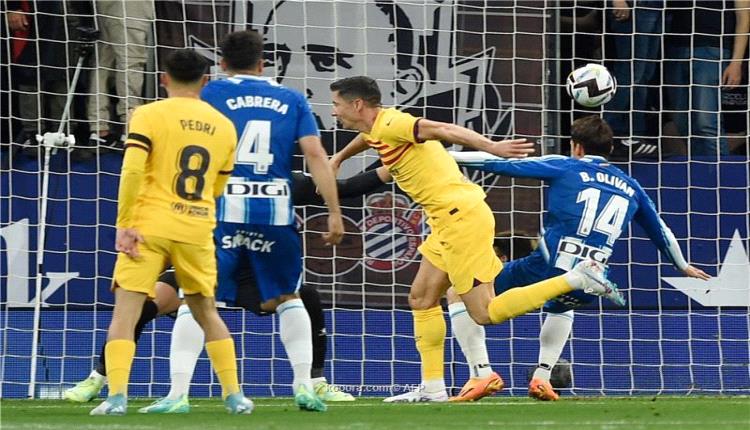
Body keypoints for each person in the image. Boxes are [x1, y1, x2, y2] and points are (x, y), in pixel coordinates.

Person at [328, 76, 626, 403]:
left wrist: (492, 147)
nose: (333, 111)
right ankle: (433, 388)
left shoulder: (393, 124)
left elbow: (445, 130)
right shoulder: (379, 128)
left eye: (336, 105)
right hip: (446, 220)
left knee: (484, 313)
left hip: (461, 218)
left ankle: (576, 278)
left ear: (358, 104)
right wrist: (339, 158)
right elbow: (367, 137)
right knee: (421, 298)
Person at [65, 168, 390, 409]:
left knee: (306, 297)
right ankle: (99, 377)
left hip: (252, 274)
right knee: (145, 304)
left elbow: (344, 187)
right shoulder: (206, 178)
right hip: (206, 262)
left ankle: (314, 382)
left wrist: (391, 167)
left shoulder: (281, 181)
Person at [446, 115, 710, 401]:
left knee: (458, 292)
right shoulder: (631, 186)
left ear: (577, 147)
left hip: (544, 266)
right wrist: (682, 265)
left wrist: (445, 156)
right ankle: (542, 377)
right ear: (610, 149)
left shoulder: (567, 166)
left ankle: (482, 373)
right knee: (562, 305)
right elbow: (660, 230)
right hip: (592, 277)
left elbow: (500, 164)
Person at [89, 49, 253, 416]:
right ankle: (234, 396)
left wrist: (125, 223)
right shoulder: (223, 124)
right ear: (205, 81)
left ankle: (116, 398)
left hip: (148, 226)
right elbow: (219, 184)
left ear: (163, 79)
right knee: (206, 311)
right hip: (196, 226)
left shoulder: (147, 115)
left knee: (126, 312)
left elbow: (132, 170)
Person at [200, 30, 343, 412]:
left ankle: (178, 392)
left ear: (222, 63)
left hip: (224, 210)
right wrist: (333, 211)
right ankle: (304, 385)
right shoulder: (291, 98)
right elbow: (316, 156)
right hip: (275, 211)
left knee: (197, 297)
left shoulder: (211, 93)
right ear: (263, 64)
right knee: (289, 297)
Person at [664, 0, 750, 156]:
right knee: (682, 121)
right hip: (676, 48)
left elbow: (743, 17)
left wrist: (736, 62)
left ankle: (719, 169)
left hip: (711, 49)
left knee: (706, 122)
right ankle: (699, 166)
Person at [86, 0, 154, 150]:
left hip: (107, 6)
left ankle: (99, 128)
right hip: (131, 6)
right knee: (131, 61)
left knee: (104, 59)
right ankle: (130, 129)